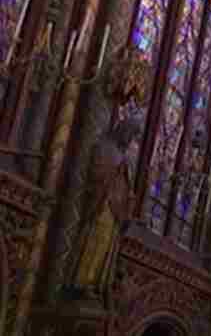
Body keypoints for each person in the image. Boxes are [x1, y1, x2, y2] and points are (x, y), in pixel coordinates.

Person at [67, 117, 143, 303]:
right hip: (102, 204)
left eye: (133, 137)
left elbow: (127, 186)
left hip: (116, 209)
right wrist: (115, 171)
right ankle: (80, 283)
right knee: (93, 242)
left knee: (104, 246)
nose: (130, 140)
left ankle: (94, 284)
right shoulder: (104, 147)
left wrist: (129, 201)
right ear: (123, 130)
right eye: (130, 134)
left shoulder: (124, 156)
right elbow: (96, 172)